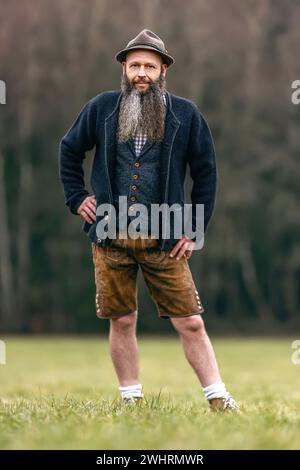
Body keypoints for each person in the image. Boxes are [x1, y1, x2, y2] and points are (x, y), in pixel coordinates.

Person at [59, 29, 239, 412]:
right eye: (135, 65)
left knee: (190, 322)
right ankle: (131, 400)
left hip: (167, 238)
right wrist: (77, 198)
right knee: (122, 320)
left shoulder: (186, 114)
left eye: (150, 67)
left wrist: (194, 228)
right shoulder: (101, 108)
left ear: (163, 71)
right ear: (124, 68)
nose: (142, 73)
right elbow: (69, 150)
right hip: (110, 237)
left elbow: (205, 174)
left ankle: (218, 398)